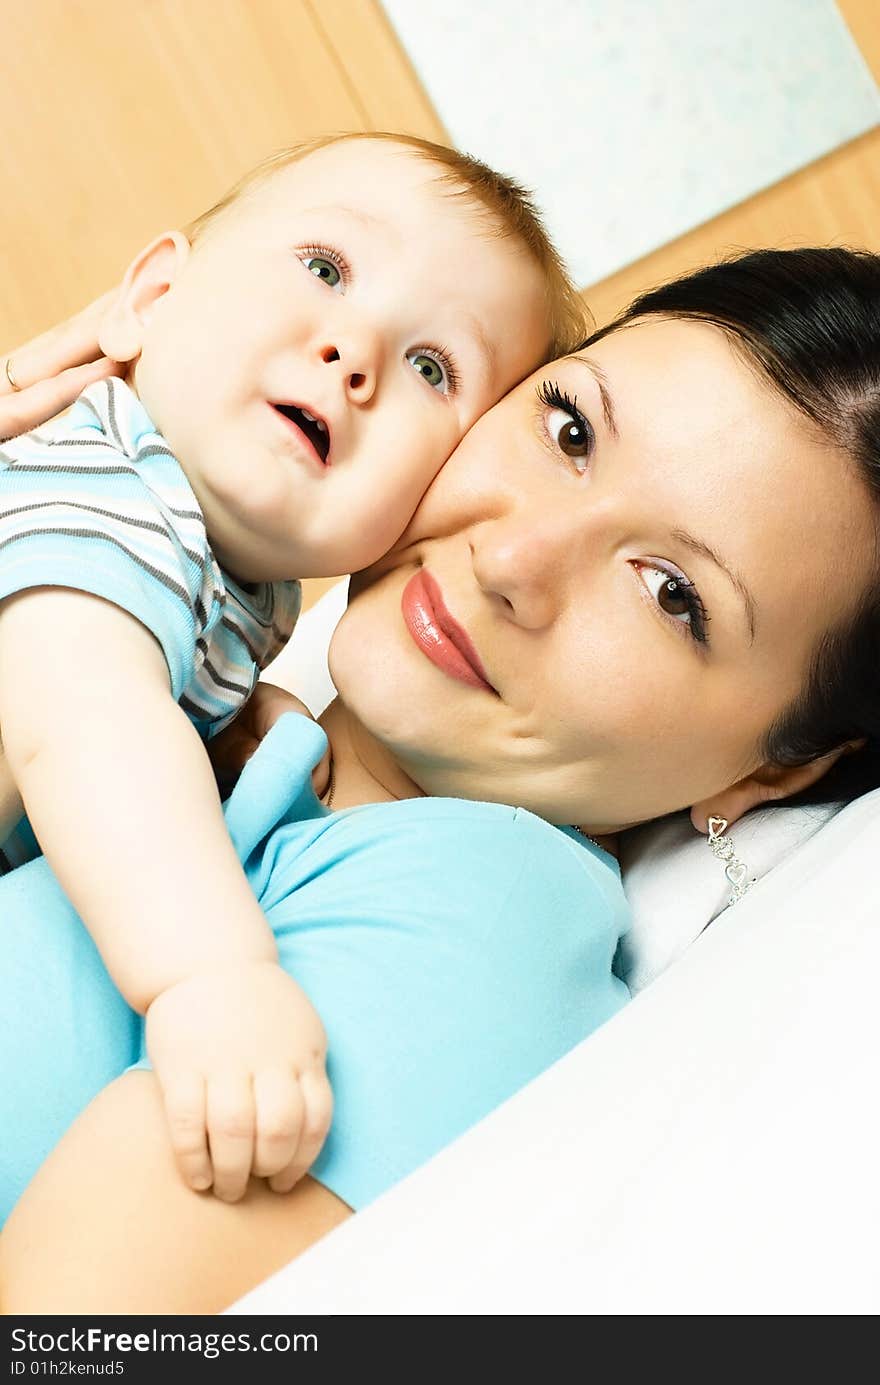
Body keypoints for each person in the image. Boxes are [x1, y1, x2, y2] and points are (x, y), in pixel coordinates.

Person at [1, 246, 879, 1314]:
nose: (515, 562)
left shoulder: (481, 919)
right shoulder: (200, 717)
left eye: (671, 593)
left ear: (774, 765)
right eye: (569, 431)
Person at [0, 132, 585, 1202]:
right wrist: (209, 976)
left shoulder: (229, 581)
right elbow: (83, 718)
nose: (354, 351)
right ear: (152, 294)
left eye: (430, 368)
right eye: (325, 267)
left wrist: (219, 723)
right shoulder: (106, 483)